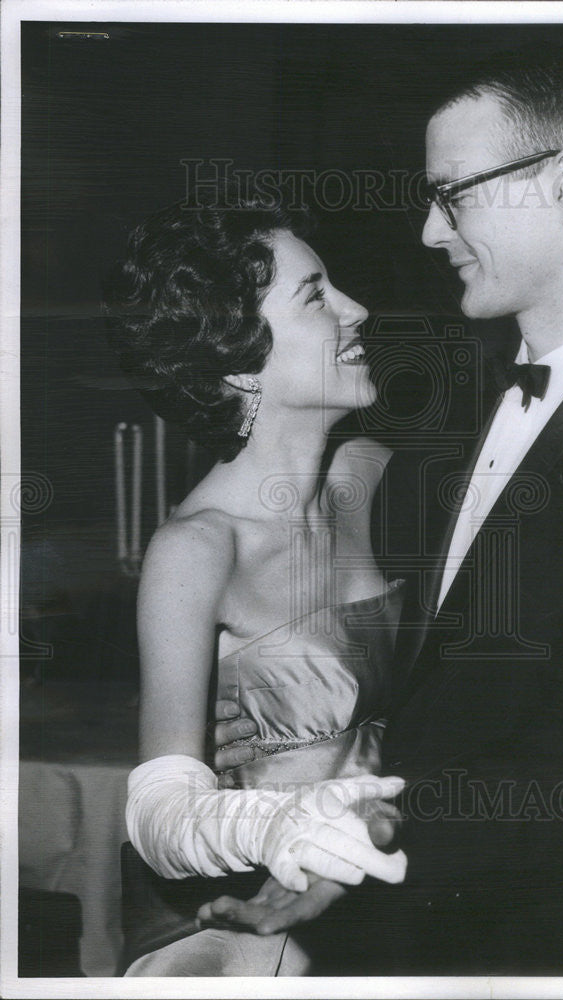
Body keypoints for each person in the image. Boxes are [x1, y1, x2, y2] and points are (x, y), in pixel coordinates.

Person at [213, 43, 563, 975]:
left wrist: (387, 830)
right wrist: (270, 695)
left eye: (454, 193)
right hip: (437, 927)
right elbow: (440, 649)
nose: (429, 233)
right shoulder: (464, 396)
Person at [103, 195, 409, 976]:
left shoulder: (375, 476)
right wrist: (273, 824)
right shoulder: (195, 551)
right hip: (242, 932)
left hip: (391, 895)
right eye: (316, 295)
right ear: (239, 358)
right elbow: (160, 817)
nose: (358, 309)